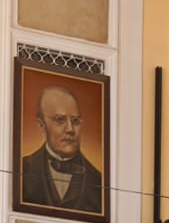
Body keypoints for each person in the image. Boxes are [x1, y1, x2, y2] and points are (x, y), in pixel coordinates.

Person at [19, 84, 105, 214]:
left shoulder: (99, 182)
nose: (70, 129)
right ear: (41, 125)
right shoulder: (21, 170)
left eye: (75, 121)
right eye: (60, 119)